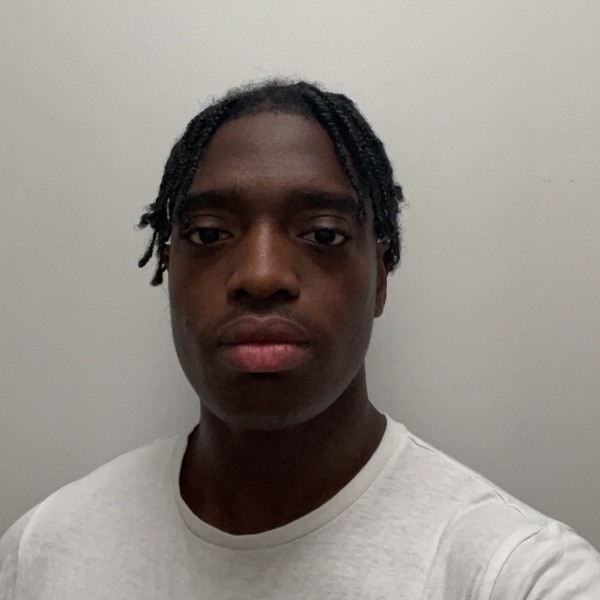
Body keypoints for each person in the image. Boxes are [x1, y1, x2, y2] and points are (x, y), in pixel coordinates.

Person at [1, 79, 599, 599]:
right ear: (169, 267)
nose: (261, 275)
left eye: (324, 234)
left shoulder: (515, 574)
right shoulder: (44, 552)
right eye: (208, 234)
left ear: (380, 278)